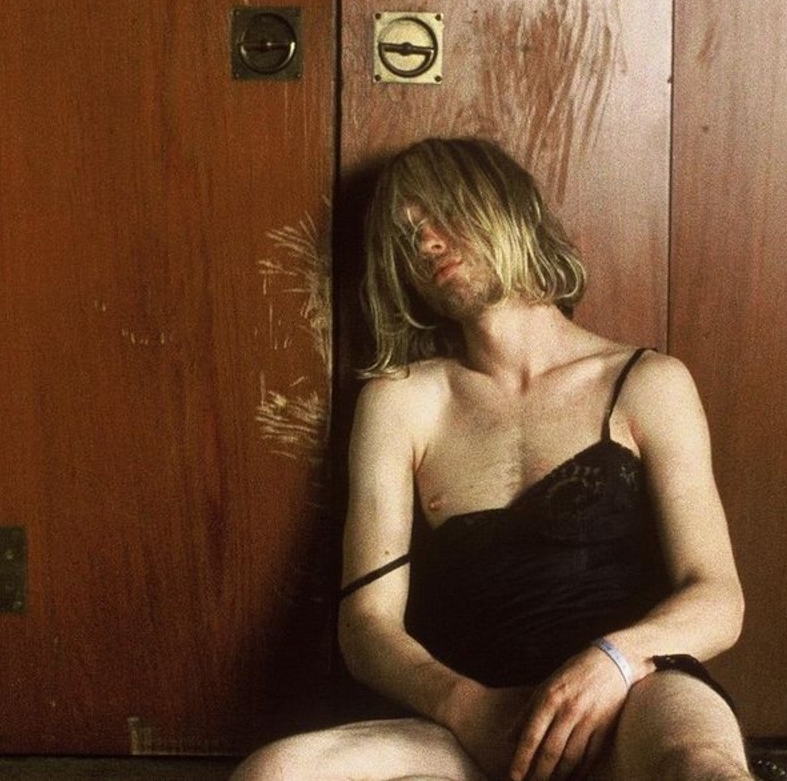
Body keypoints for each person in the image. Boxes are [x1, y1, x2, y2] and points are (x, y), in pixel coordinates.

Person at [233, 138, 752, 781]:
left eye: (443, 215)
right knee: (274, 773)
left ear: (508, 207)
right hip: (478, 717)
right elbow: (366, 627)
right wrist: (466, 706)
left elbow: (718, 598)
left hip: (634, 692)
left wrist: (614, 661)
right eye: (409, 236)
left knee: (699, 769)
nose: (427, 244)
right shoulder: (402, 401)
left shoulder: (647, 382)